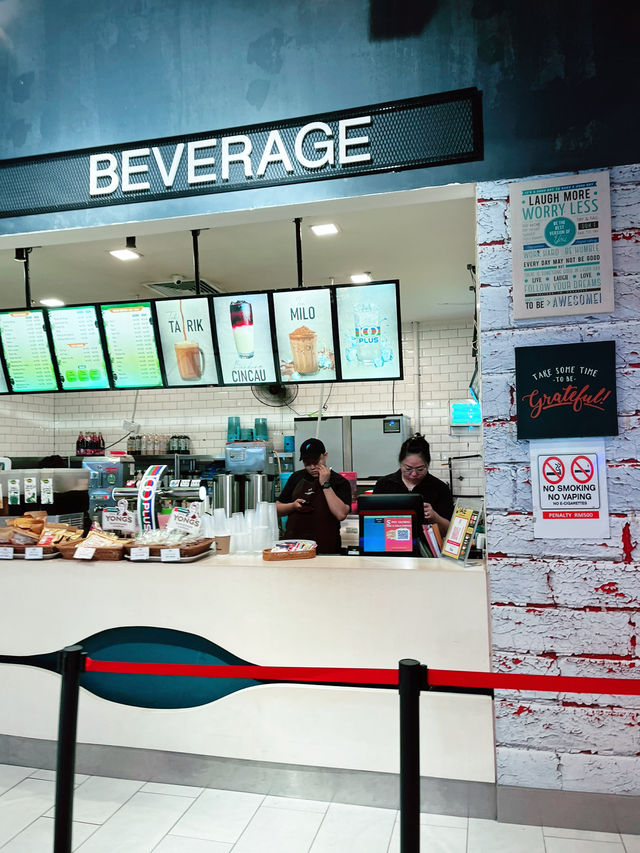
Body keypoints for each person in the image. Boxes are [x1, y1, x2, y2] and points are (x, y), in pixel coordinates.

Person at [276, 438, 351, 554]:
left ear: (325, 456)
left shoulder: (339, 482)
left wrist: (325, 484)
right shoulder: (296, 478)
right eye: (307, 463)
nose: (312, 467)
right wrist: (293, 506)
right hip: (295, 547)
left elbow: (341, 514)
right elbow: (277, 508)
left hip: (326, 548)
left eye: (316, 462)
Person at [372, 433, 453, 537]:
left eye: (420, 469)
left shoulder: (439, 488)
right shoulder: (384, 485)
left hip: (425, 547)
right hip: (389, 543)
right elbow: (371, 523)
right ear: (400, 463)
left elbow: (449, 532)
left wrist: (434, 517)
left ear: (428, 465)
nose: (414, 474)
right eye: (408, 469)